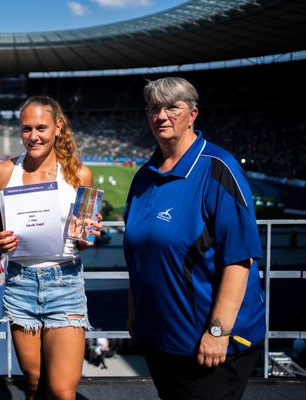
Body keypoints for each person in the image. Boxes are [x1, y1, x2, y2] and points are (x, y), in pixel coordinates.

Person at [123, 77, 265, 400]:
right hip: (161, 339)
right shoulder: (143, 177)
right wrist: (134, 313)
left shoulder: (218, 169)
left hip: (210, 345)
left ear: (193, 114)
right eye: (154, 108)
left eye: (172, 107)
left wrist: (218, 331)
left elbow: (240, 259)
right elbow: (138, 254)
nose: (162, 116)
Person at [0, 96, 100, 400]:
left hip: (65, 283)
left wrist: (87, 235)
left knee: (63, 391)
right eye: (26, 129)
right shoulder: (1, 173)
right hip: (20, 284)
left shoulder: (80, 175)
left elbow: (84, 242)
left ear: (58, 127)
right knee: (35, 384)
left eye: (41, 127)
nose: (33, 136)